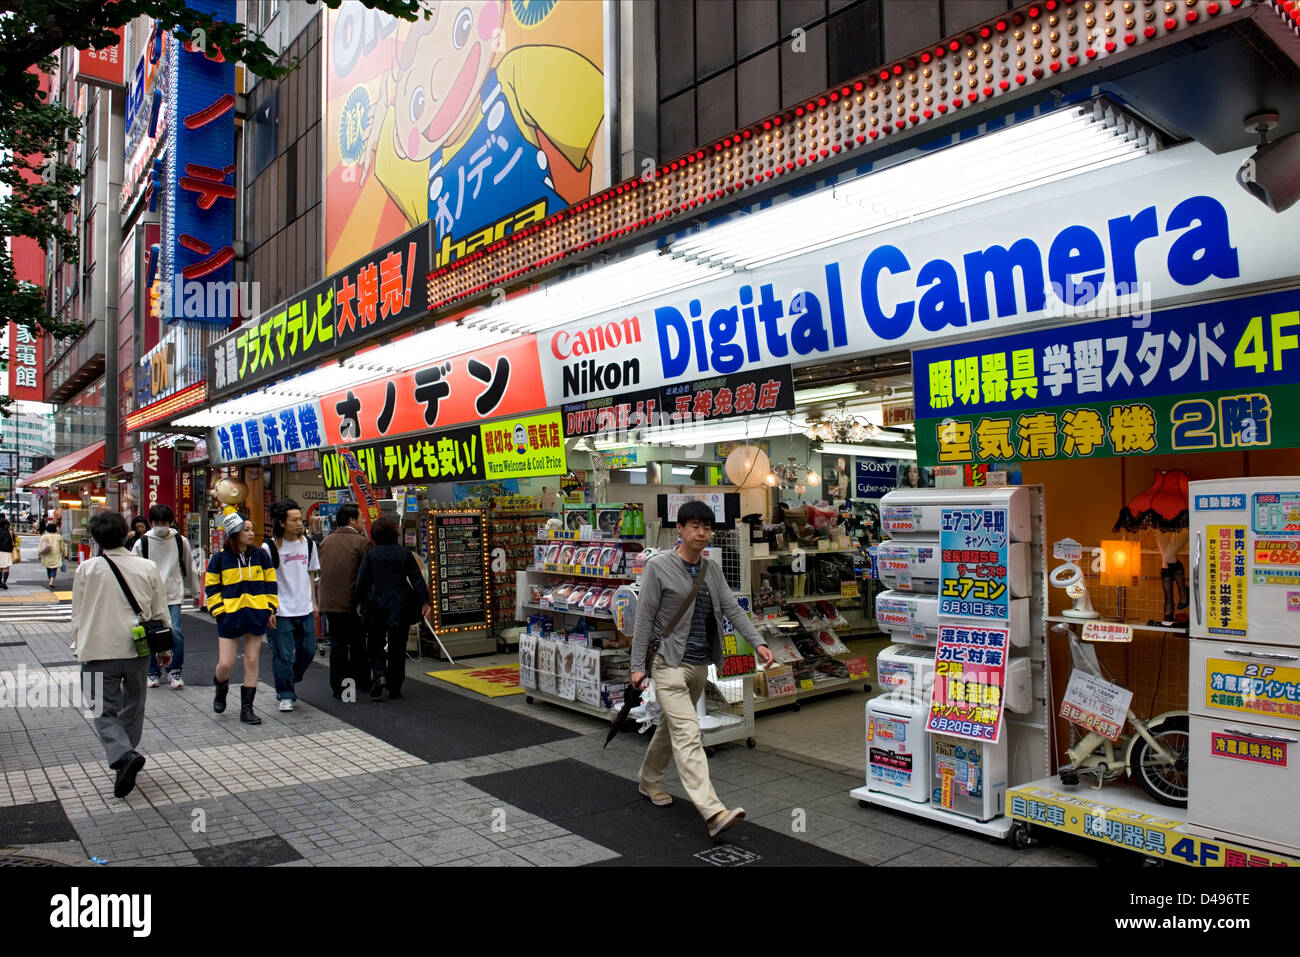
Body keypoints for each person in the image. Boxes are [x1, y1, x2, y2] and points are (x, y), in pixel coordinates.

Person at [630, 500, 776, 839]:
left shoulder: (712, 570)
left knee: (671, 729)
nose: (702, 532)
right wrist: (637, 667)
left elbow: (732, 610)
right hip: (667, 664)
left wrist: (759, 642)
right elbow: (644, 618)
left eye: (707, 527)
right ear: (678, 530)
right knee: (688, 733)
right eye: (694, 525)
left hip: (697, 665)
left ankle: (648, 781)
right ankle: (712, 812)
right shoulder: (659, 566)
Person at [72, 511, 171, 798]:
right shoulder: (147, 567)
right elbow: (158, 609)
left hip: (97, 648)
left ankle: (123, 756)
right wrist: (164, 648)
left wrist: (77, 643)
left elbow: (78, 614)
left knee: (102, 708)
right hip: (137, 647)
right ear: (126, 532)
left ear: (96, 538)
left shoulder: (87, 569)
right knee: (134, 705)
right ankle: (125, 759)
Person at [204, 512, 277, 725]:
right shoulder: (219, 559)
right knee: (225, 664)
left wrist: (270, 609)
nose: (251, 533)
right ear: (234, 533)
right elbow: (212, 588)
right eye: (246, 530)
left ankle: (247, 710)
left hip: (256, 613)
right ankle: (221, 686)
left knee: (252, 660)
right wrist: (220, 611)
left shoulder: (261, 556)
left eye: (252, 529)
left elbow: (271, 582)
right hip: (230, 615)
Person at [353, 516, 429, 701]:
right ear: (395, 533)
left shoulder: (371, 554)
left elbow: (362, 581)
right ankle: (395, 686)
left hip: (376, 602)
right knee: (398, 646)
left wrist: (357, 601)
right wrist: (425, 601)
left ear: (375, 534)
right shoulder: (404, 553)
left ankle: (379, 674)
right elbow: (417, 579)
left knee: (375, 642)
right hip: (401, 603)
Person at [262, 498, 319, 713]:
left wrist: (314, 602)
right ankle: (285, 694)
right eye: (294, 520)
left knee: (308, 649)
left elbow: (310, 573)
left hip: (304, 607)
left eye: (300, 519)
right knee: (283, 655)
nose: (299, 523)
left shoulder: (309, 544)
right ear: (282, 523)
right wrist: (269, 609)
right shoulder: (268, 548)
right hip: (281, 609)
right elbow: (263, 581)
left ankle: (290, 677)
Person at [132, 504, 195, 690]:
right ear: (152, 523)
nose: (161, 526)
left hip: (173, 594)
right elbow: (133, 570)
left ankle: (175, 670)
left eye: (164, 522)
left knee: (176, 633)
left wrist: (197, 591)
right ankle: (152, 672)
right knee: (150, 635)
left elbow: (190, 565)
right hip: (148, 597)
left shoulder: (179, 540)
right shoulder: (142, 543)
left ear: (171, 522)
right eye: (158, 522)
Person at [318, 504, 371, 700]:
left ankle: (339, 687)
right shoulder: (361, 542)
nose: (363, 521)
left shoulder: (326, 541)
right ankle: (361, 681)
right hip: (352, 603)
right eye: (360, 518)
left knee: (338, 643)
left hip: (329, 602)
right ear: (351, 520)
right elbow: (365, 577)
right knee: (358, 643)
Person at [39, 521, 63, 589]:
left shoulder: (44, 536)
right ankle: (51, 581)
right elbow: (62, 547)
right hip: (56, 554)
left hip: (47, 554)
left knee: (48, 567)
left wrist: (39, 554)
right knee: (54, 568)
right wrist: (63, 553)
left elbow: (40, 547)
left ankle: (50, 579)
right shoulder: (58, 536)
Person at [0, 514, 14, 589]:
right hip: (6, 551)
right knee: (6, 568)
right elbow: (13, 542)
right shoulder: (9, 533)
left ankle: (0, 582)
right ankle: (4, 582)